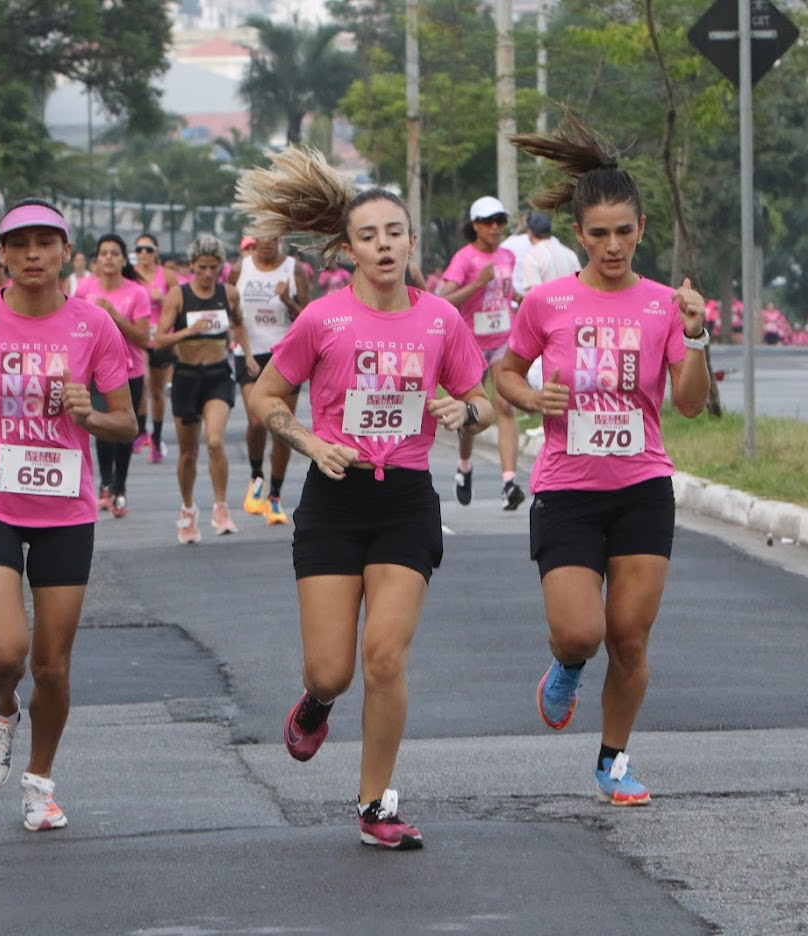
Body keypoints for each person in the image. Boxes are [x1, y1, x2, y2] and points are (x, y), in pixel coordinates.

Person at [235, 147, 495, 849]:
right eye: (368, 236)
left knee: (384, 657)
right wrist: (309, 443)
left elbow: (484, 399)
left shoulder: (441, 319)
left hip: (406, 497)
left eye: (394, 233)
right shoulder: (323, 320)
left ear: (412, 241)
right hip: (334, 497)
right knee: (333, 670)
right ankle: (317, 704)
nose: (383, 245)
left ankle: (376, 804)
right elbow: (264, 396)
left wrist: (465, 415)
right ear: (347, 249)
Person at [498, 117, 709, 808]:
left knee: (630, 637)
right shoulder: (547, 301)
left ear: (641, 229)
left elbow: (687, 403)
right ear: (579, 234)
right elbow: (506, 372)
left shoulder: (662, 307)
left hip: (643, 485)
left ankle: (613, 763)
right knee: (582, 632)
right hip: (568, 488)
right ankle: (564, 666)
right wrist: (533, 395)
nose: (612, 245)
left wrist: (698, 334)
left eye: (624, 231)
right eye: (599, 233)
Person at [0, 198, 137, 830]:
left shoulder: (94, 326)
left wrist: (90, 416)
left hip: (65, 504)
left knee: (52, 663)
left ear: (66, 252)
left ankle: (40, 784)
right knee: (9, 651)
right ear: (4, 254)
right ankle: (3, 707)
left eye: (46, 243)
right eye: (20, 244)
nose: (34, 254)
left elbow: (125, 422)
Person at [155, 233, 249, 543]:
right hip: (186, 376)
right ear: (192, 266)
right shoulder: (177, 296)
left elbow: (239, 323)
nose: (208, 274)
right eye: (202, 267)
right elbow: (159, 340)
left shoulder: (229, 293)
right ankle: (188, 508)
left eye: (213, 267)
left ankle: (221, 507)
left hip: (218, 374)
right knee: (188, 454)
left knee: (214, 441)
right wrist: (188, 331)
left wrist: (248, 356)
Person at [437, 196, 525, 511]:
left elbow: (503, 290)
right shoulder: (464, 259)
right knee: (472, 416)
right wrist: (478, 283)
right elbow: (445, 301)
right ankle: (464, 465)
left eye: (500, 220)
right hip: (470, 343)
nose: (496, 227)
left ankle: (509, 482)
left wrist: (518, 297)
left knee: (504, 406)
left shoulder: (508, 256)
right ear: (475, 225)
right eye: (488, 221)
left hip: (503, 338)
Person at [230, 234, 312, 524]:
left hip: (286, 353)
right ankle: (256, 476)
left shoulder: (294, 269)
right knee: (256, 420)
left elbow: (307, 317)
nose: (266, 242)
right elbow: (229, 307)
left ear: (280, 238)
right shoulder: (240, 268)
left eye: (273, 236)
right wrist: (235, 338)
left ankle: (275, 496)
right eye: (261, 236)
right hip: (250, 352)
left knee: (282, 427)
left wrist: (287, 300)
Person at [76, 233, 153, 517]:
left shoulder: (136, 293)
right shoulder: (84, 290)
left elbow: (144, 338)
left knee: (124, 430)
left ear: (123, 260)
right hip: (94, 370)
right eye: (104, 253)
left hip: (129, 370)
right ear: (97, 261)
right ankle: (106, 484)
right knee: (101, 427)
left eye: (114, 253)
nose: (109, 257)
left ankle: (121, 485)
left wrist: (113, 316)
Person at [133, 233, 180, 464]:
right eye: (139, 250)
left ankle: (157, 436)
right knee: (143, 381)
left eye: (148, 249)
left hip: (161, 338)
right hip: (139, 337)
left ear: (156, 252)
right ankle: (141, 430)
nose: (143, 254)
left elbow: (179, 304)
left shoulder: (168, 275)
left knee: (157, 391)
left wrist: (161, 299)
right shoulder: (131, 276)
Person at [516, 212, 582, 296]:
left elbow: (533, 294)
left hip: (547, 308)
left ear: (530, 233)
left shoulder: (532, 256)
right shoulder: (569, 253)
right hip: (572, 307)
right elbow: (580, 285)